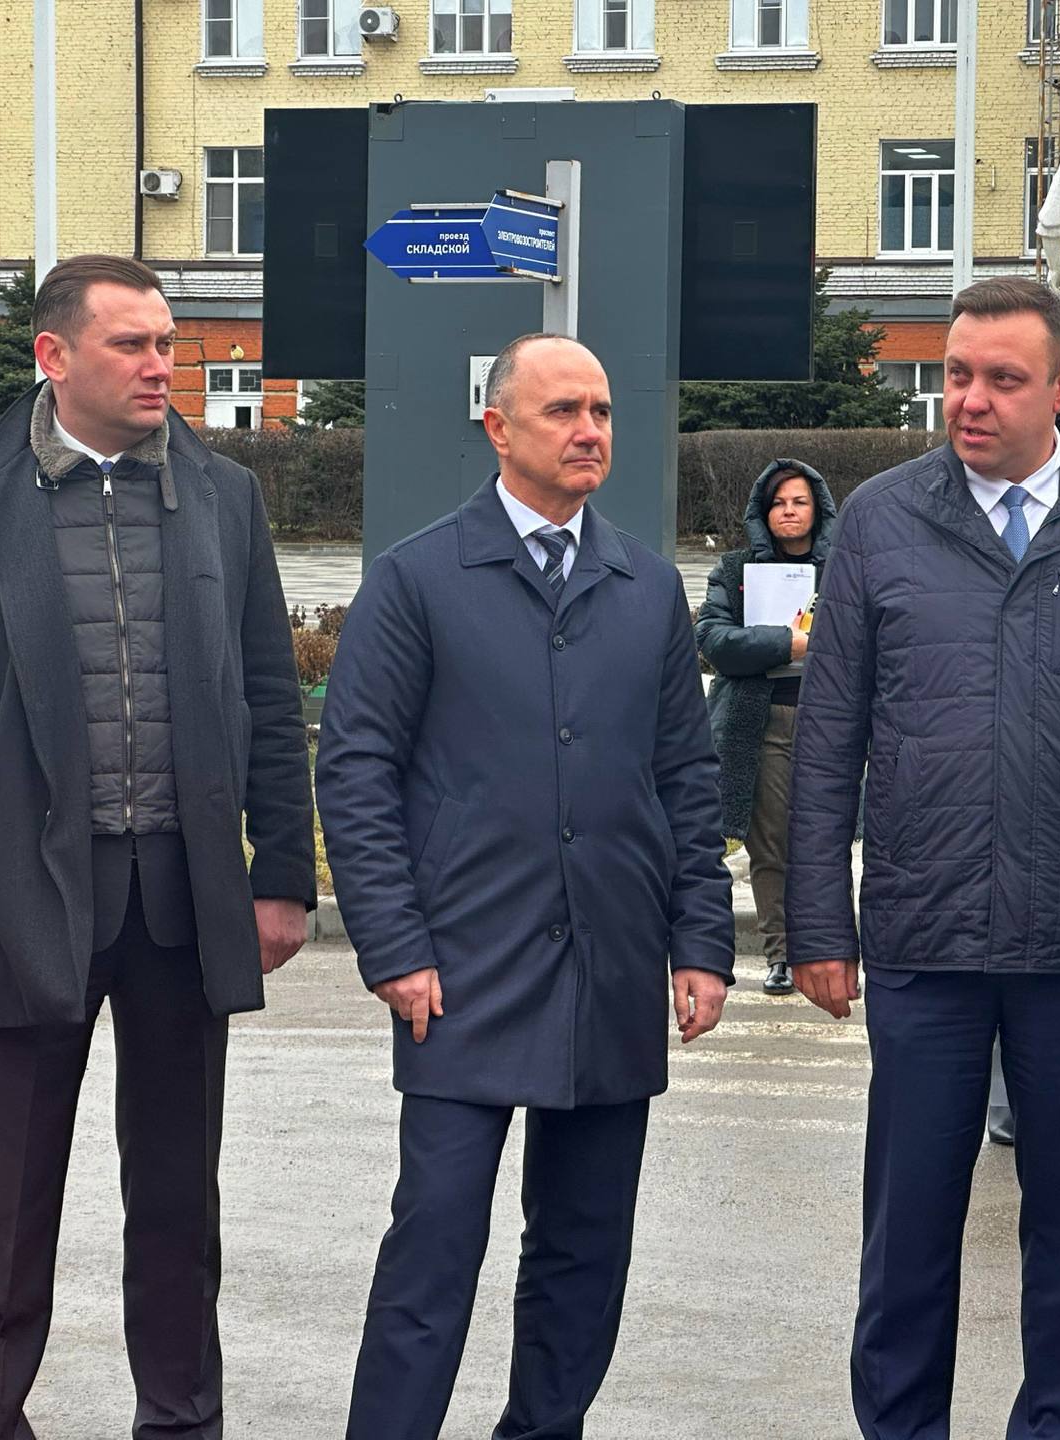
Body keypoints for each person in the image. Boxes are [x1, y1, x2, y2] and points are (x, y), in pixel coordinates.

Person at [0, 253, 317, 1439]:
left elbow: (269, 698)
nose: (161, 365)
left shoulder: (224, 496)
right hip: (22, 902)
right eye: (133, 344)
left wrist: (281, 874)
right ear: (54, 356)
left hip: (181, 900)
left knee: (178, 1207)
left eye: (168, 343)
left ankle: (180, 1420)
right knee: (7, 1209)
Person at [787, 276, 1060, 1438]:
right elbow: (828, 738)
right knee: (908, 1227)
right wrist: (817, 923)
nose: (968, 399)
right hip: (924, 936)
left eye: (1001, 379)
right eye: (956, 374)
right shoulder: (882, 519)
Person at [318, 332, 736, 1440]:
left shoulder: (646, 587)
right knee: (435, 1246)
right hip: (462, 972)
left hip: (611, 968)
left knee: (584, 1255)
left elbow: (687, 778)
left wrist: (700, 941)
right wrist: (394, 947)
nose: (590, 430)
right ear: (498, 429)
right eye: (563, 411)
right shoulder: (417, 579)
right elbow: (355, 770)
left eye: (601, 410)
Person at [696, 459, 839, 995]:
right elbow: (713, 641)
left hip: (830, 721)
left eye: (799, 502)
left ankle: (829, 948)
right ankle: (781, 952)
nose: (789, 512)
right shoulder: (735, 569)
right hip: (763, 722)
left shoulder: (845, 568)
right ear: (762, 510)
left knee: (826, 842)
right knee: (771, 844)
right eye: (778, 503)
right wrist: (788, 643)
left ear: (818, 508)